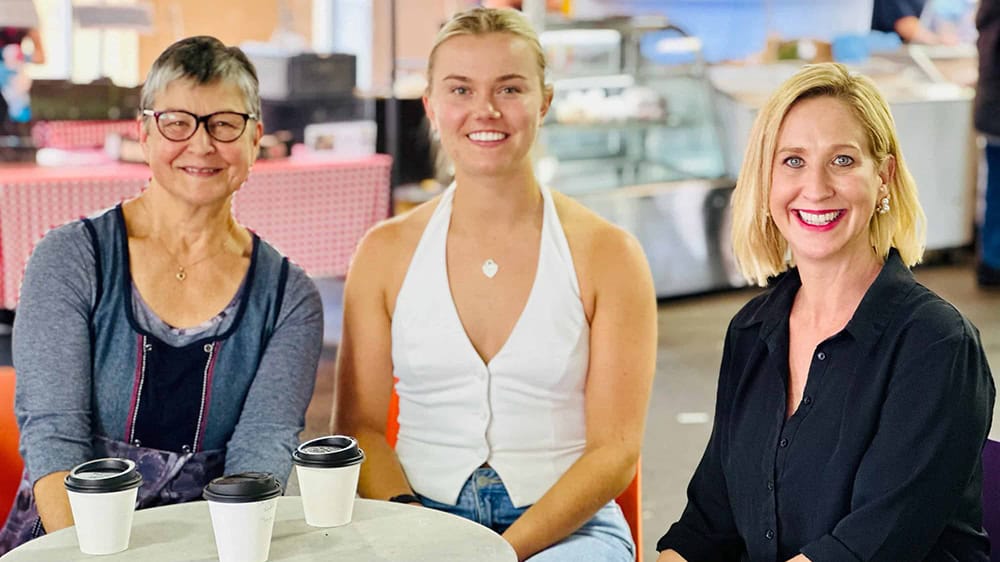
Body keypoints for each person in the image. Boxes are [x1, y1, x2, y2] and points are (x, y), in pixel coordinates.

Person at [333, 7, 656, 561]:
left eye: (510, 88)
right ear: (431, 106)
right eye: (460, 89)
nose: (485, 110)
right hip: (413, 515)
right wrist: (416, 534)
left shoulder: (609, 255)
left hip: (566, 529)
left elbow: (615, 450)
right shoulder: (384, 253)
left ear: (544, 101)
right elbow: (360, 428)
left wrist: (499, 553)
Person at [657, 62, 995, 561]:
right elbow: (709, 525)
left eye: (841, 160)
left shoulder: (936, 344)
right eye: (792, 161)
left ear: (883, 178)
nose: (815, 188)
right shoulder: (752, 330)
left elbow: (865, 550)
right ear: (765, 179)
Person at [0, 35, 323, 554]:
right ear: (145, 133)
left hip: (214, 543)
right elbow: (54, 436)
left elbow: (263, 451)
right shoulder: (71, 260)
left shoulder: (289, 298)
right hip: (68, 542)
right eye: (177, 121)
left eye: (224, 123)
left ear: (255, 138)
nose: (200, 144)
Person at [975, 0, 1000, 287]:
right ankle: (992, 262)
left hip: (991, 111)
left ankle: (991, 260)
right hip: (996, 113)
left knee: (994, 190)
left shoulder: (988, 15)